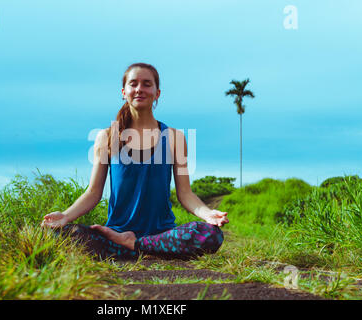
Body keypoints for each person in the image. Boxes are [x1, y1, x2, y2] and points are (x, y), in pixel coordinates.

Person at [41, 63, 229, 259]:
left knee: (211, 234)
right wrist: (65, 216)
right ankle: (143, 248)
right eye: (133, 84)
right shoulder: (106, 137)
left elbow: (185, 194)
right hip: (115, 234)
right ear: (124, 92)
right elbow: (93, 192)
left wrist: (208, 214)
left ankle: (135, 245)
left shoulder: (175, 138)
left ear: (157, 93)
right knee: (56, 234)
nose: (139, 89)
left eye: (147, 84)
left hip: (162, 235)